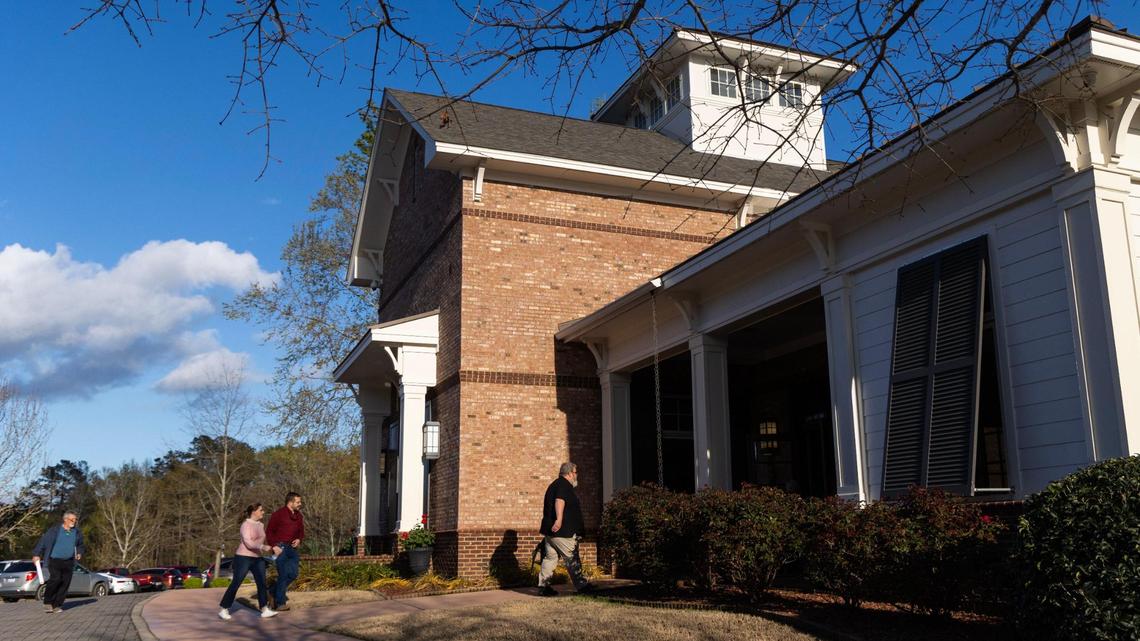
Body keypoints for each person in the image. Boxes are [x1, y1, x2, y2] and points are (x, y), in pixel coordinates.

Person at [537, 462, 592, 596]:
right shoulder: (564, 485)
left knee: (550, 559)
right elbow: (559, 501)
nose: (576, 475)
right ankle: (582, 586)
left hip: (551, 532)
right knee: (571, 558)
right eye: (575, 472)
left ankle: (544, 587)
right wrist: (559, 519)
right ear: (569, 473)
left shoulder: (554, 484)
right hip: (562, 532)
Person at [218, 503, 278, 621]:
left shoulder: (260, 525)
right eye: (261, 510)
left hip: (257, 558)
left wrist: (273, 547)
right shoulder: (245, 525)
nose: (263, 512)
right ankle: (224, 609)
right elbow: (249, 543)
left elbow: (262, 541)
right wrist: (263, 546)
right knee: (237, 582)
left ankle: (264, 609)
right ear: (254, 511)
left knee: (262, 583)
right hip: (243, 557)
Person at [31, 511, 84, 613]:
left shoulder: (77, 532)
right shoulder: (55, 530)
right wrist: (36, 554)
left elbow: (80, 545)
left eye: (75, 519)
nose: (74, 521)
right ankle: (47, 602)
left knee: (65, 583)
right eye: (72, 519)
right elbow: (43, 542)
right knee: (55, 579)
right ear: (65, 519)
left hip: (69, 561)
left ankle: (57, 605)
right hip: (54, 560)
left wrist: (79, 552)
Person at [264, 491, 304, 611]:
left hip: (292, 549)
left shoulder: (299, 516)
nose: (300, 504)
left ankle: (271, 591)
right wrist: (273, 546)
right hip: (280, 548)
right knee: (283, 575)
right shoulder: (278, 514)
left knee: (293, 574)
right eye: (298, 502)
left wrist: (299, 539)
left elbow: (301, 531)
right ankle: (280, 603)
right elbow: (269, 532)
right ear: (290, 502)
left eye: (300, 502)